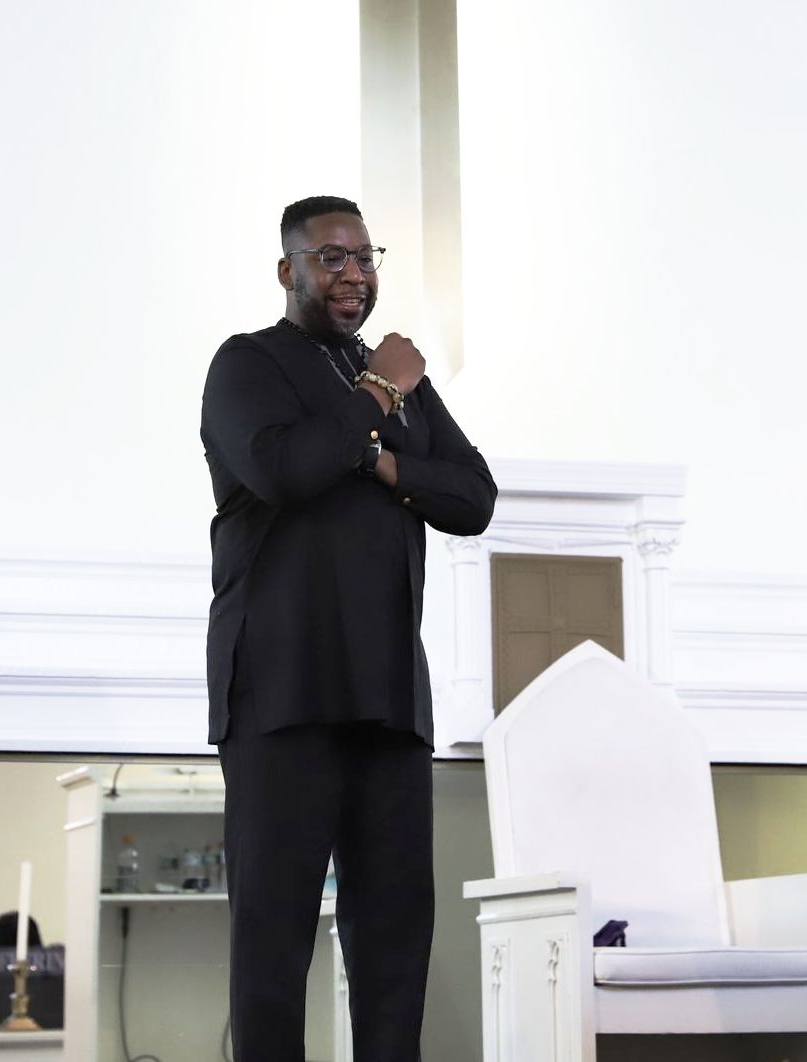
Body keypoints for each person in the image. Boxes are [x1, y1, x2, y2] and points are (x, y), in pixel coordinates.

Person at [201, 195, 496, 1062]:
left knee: (396, 943)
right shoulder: (247, 365)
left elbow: (472, 496)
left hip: (389, 698)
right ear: (286, 269)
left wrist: (380, 459)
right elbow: (285, 469)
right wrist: (378, 396)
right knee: (274, 942)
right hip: (281, 693)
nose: (354, 274)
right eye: (331, 257)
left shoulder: (395, 378)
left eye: (366, 257)